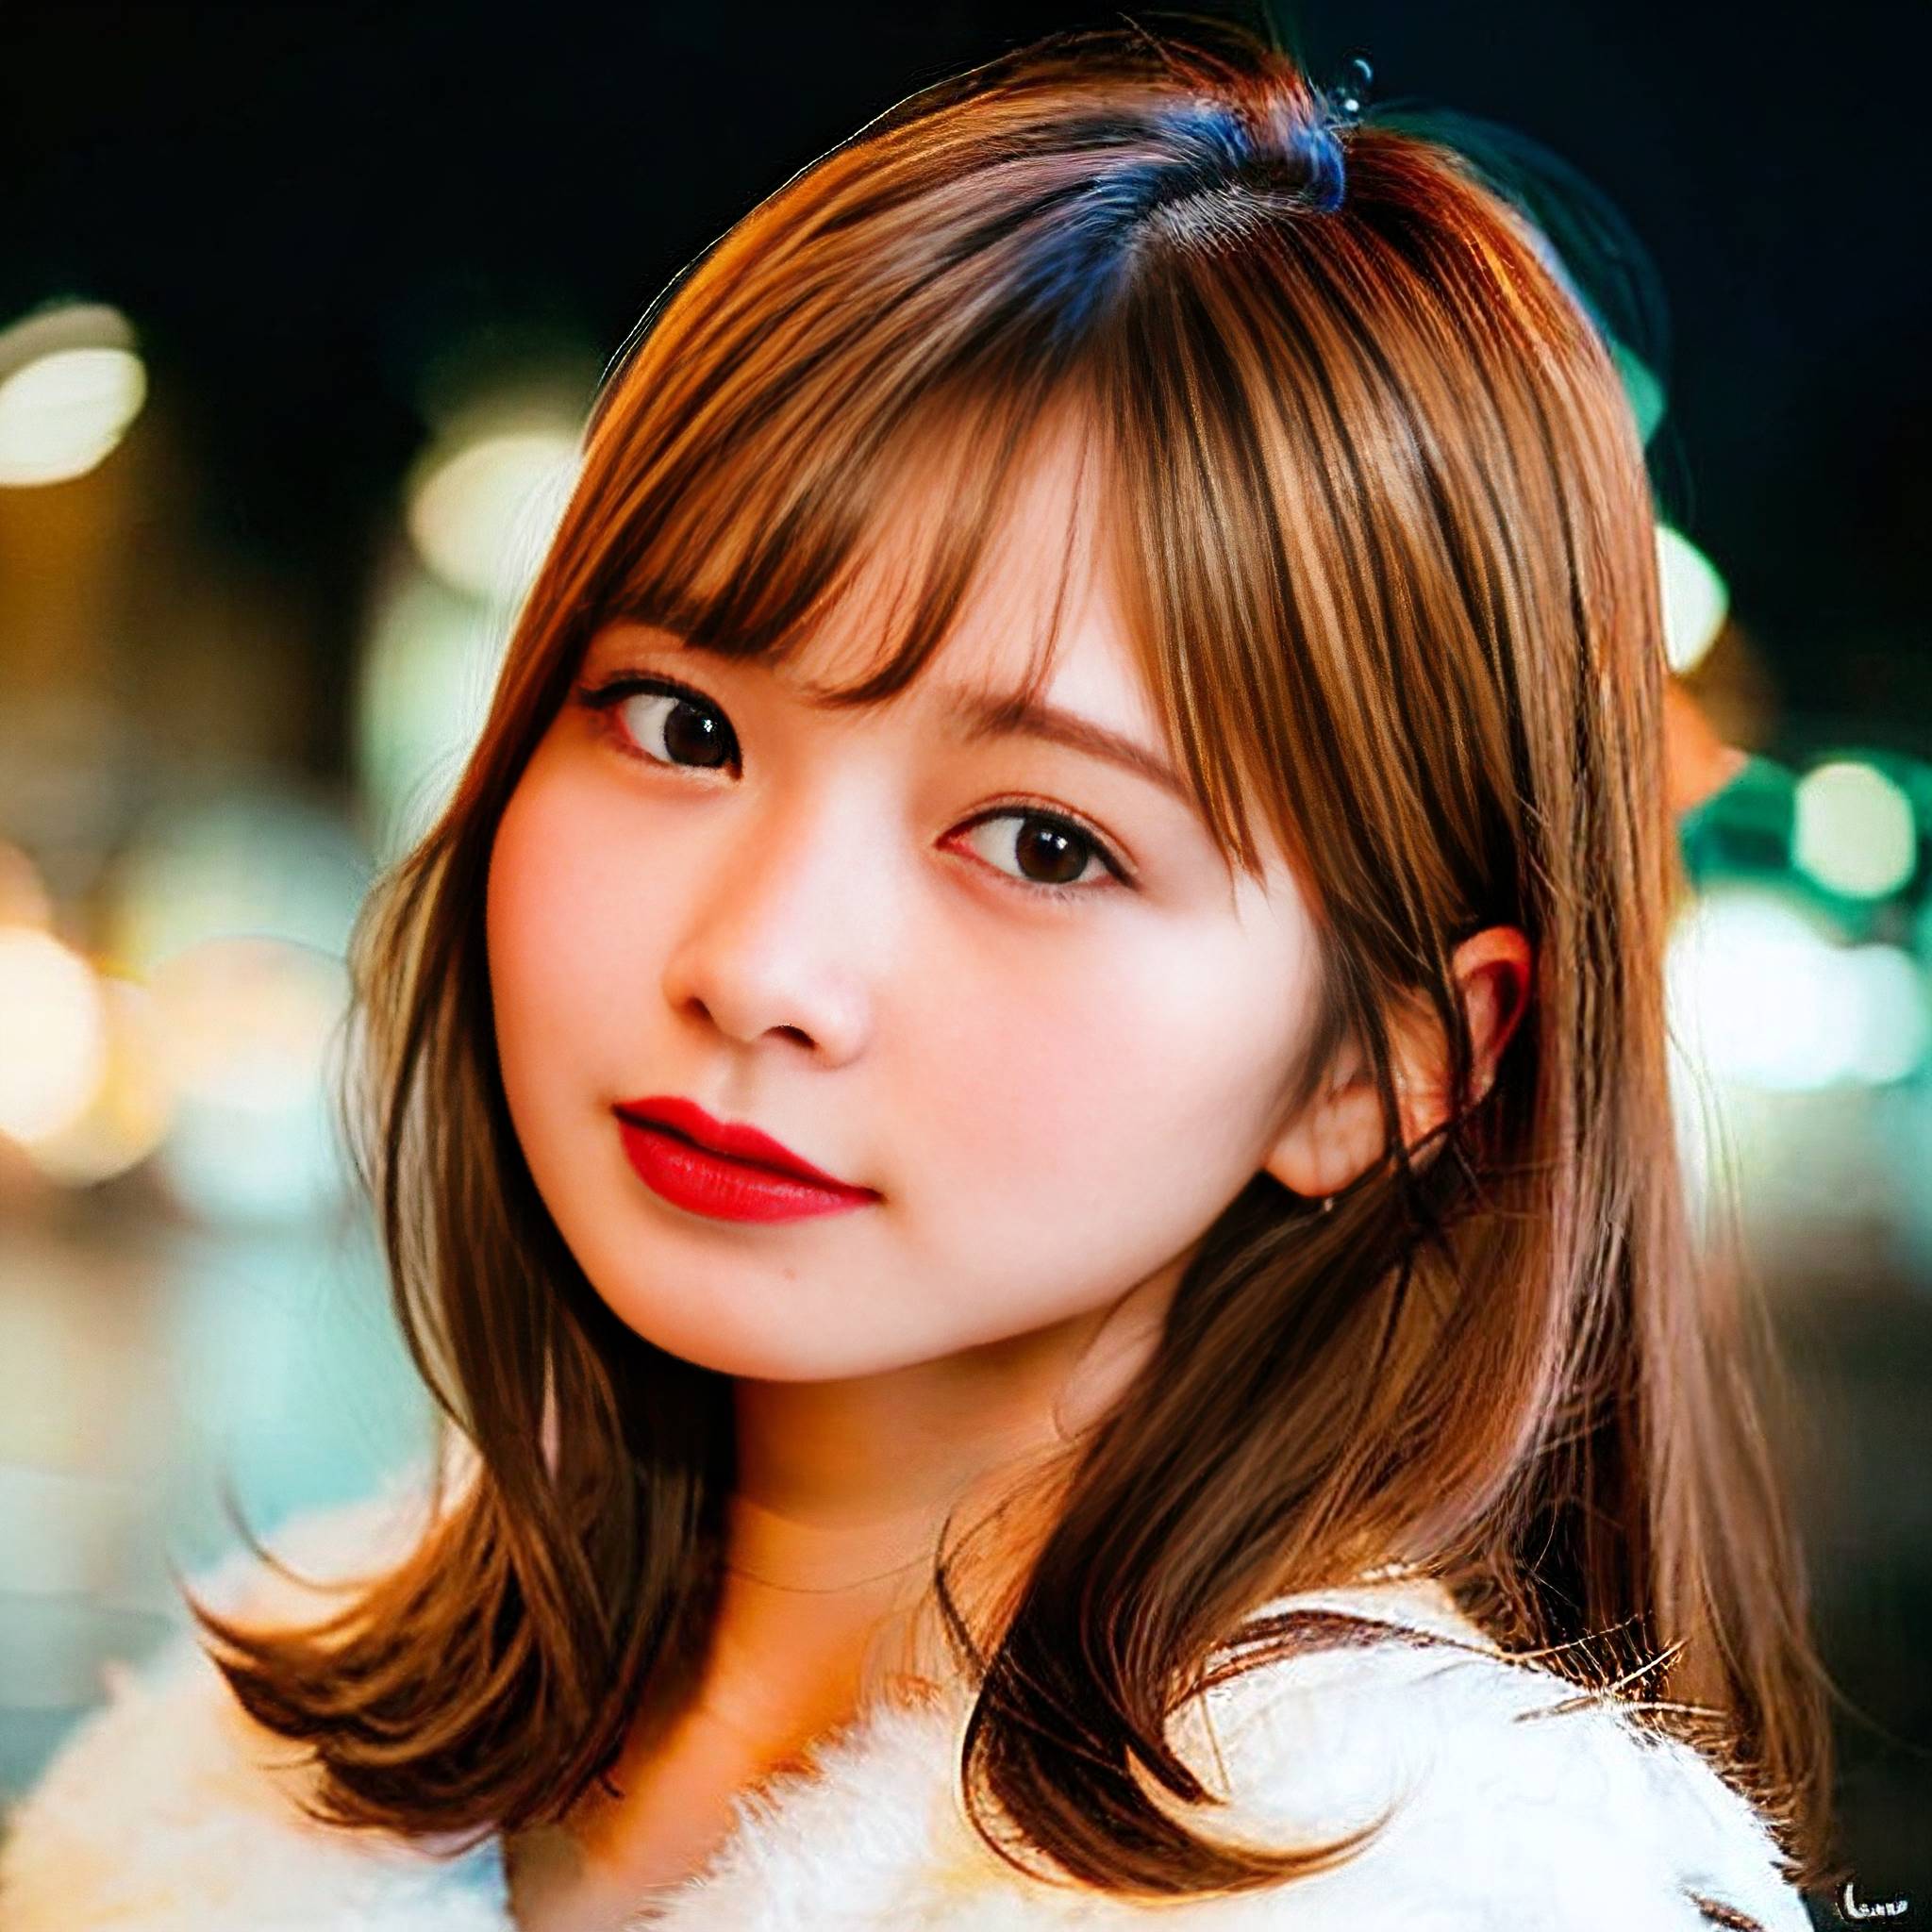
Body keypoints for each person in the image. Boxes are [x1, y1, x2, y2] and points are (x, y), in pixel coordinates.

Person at [0, 15, 1835, 1929]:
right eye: (679, 723)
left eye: (1047, 841)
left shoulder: (1440, 1884)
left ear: (1381, 1064)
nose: (759, 965)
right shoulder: (214, 1780)